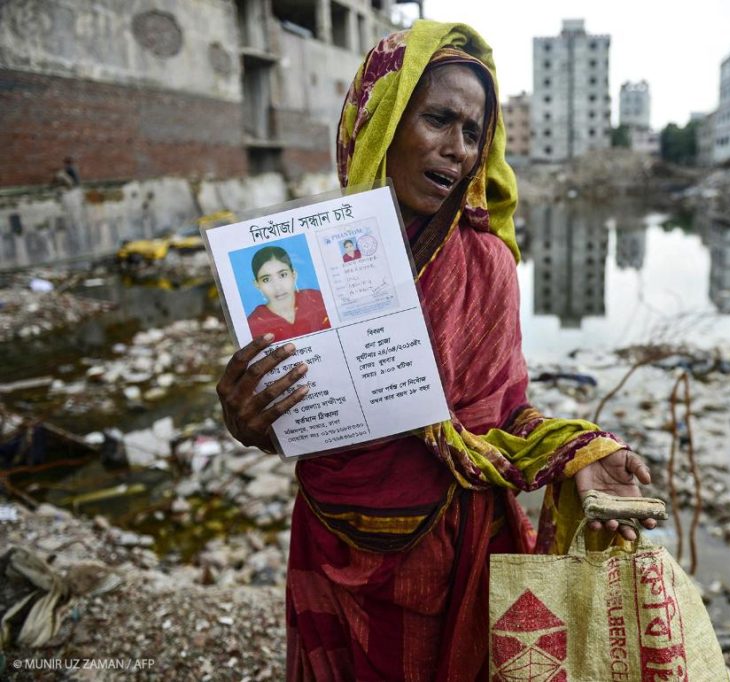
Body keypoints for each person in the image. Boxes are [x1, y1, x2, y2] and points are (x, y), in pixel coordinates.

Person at [216, 21, 658, 681]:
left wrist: (581, 452)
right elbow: (300, 406)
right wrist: (249, 419)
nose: (457, 149)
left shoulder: (487, 265)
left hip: (458, 552)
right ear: (381, 122)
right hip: (335, 535)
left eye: (473, 132)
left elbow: (504, 414)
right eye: (438, 119)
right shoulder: (300, 265)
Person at [246, 245, 330, 343]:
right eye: (266, 279)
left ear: (294, 274)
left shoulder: (318, 299)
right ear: (257, 284)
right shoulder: (253, 324)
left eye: (283, 275)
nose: (277, 287)